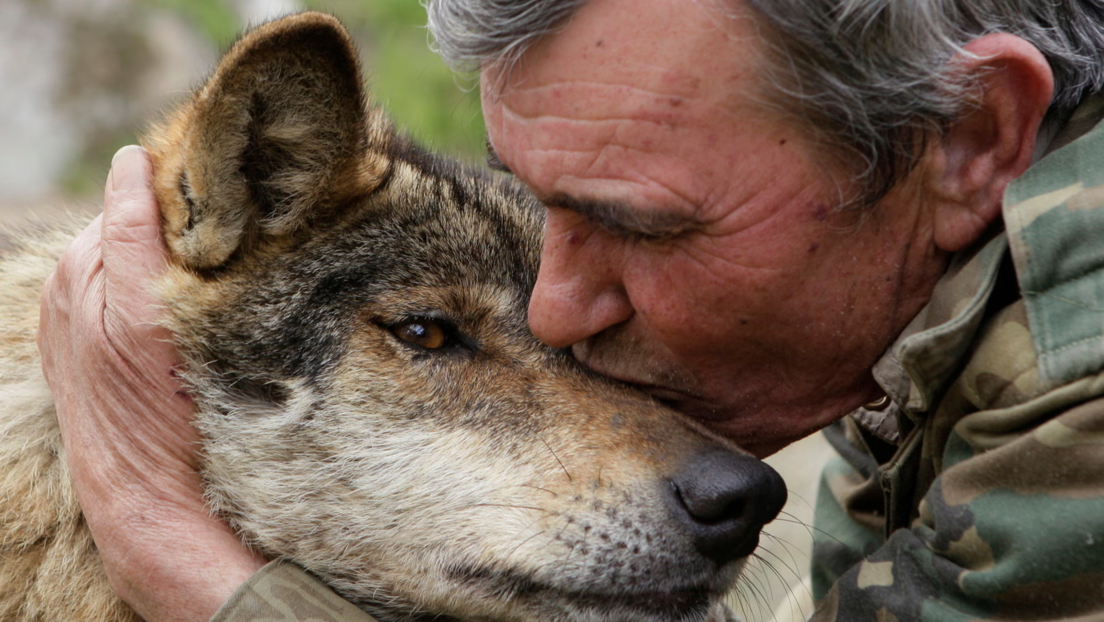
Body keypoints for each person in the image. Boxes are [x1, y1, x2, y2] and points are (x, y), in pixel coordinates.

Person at [36, 0, 1104, 620]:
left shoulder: (1079, 373)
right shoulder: (929, 335)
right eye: (548, 210)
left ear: (969, 138)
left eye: (646, 226)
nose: (557, 308)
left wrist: (159, 534)